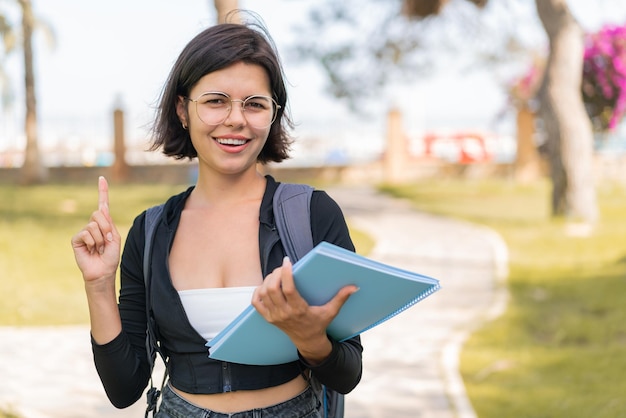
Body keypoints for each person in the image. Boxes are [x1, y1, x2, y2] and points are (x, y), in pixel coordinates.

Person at [71, 12, 363, 418]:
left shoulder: (312, 215)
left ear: (272, 114)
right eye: (215, 101)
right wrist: (99, 284)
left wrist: (312, 339)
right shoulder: (150, 231)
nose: (236, 119)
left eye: (255, 104)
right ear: (182, 110)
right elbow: (124, 388)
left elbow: (348, 372)